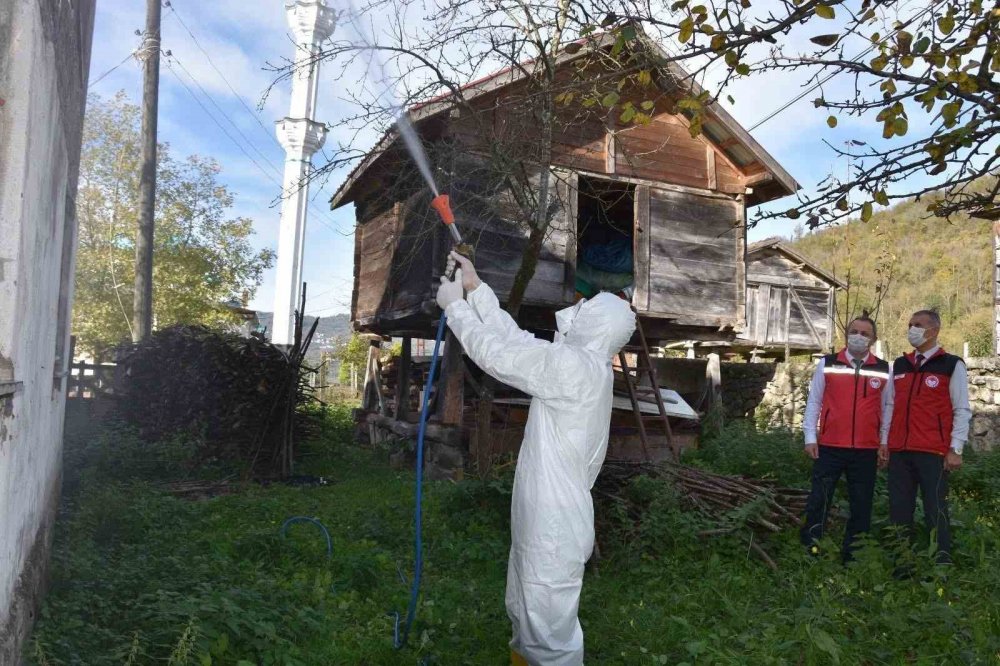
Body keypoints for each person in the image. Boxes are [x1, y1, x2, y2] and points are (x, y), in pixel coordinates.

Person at [436, 251, 636, 666]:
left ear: (597, 323)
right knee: (527, 605)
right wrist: (475, 289)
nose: (577, 308)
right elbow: (518, 342)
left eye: (587, 308)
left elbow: (497, 354)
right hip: (548, 514)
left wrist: (454, 307)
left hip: (555, 522)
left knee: (547, 627)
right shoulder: (581, 364)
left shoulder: (574, 368)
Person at [881, 310, 971, 565]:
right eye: (910, 325)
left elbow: (961, 409)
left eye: (918, 325)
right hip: (899, 450)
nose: (912, 329)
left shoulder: (951, 364)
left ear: (934, 331)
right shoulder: (899, 365)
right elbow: (890, 405)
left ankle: (941, 563)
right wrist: (884, 441)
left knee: (935, 510)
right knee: (899, 510)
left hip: (933, 452)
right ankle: (902, 563)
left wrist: (956, 449)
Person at [800, 316, 890, 562]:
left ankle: (853, 555)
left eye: (865, 333)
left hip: (865, 450)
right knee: (820, 498)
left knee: (861, 505)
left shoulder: (883, 369)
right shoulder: (828, 363)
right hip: (829, 446)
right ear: (846, 334)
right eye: (854, 331)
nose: (859, 336)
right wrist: (810, 436)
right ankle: (811, 549)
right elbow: (815, 401)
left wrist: (884, 441)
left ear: (873, 339)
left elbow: (887, 407)